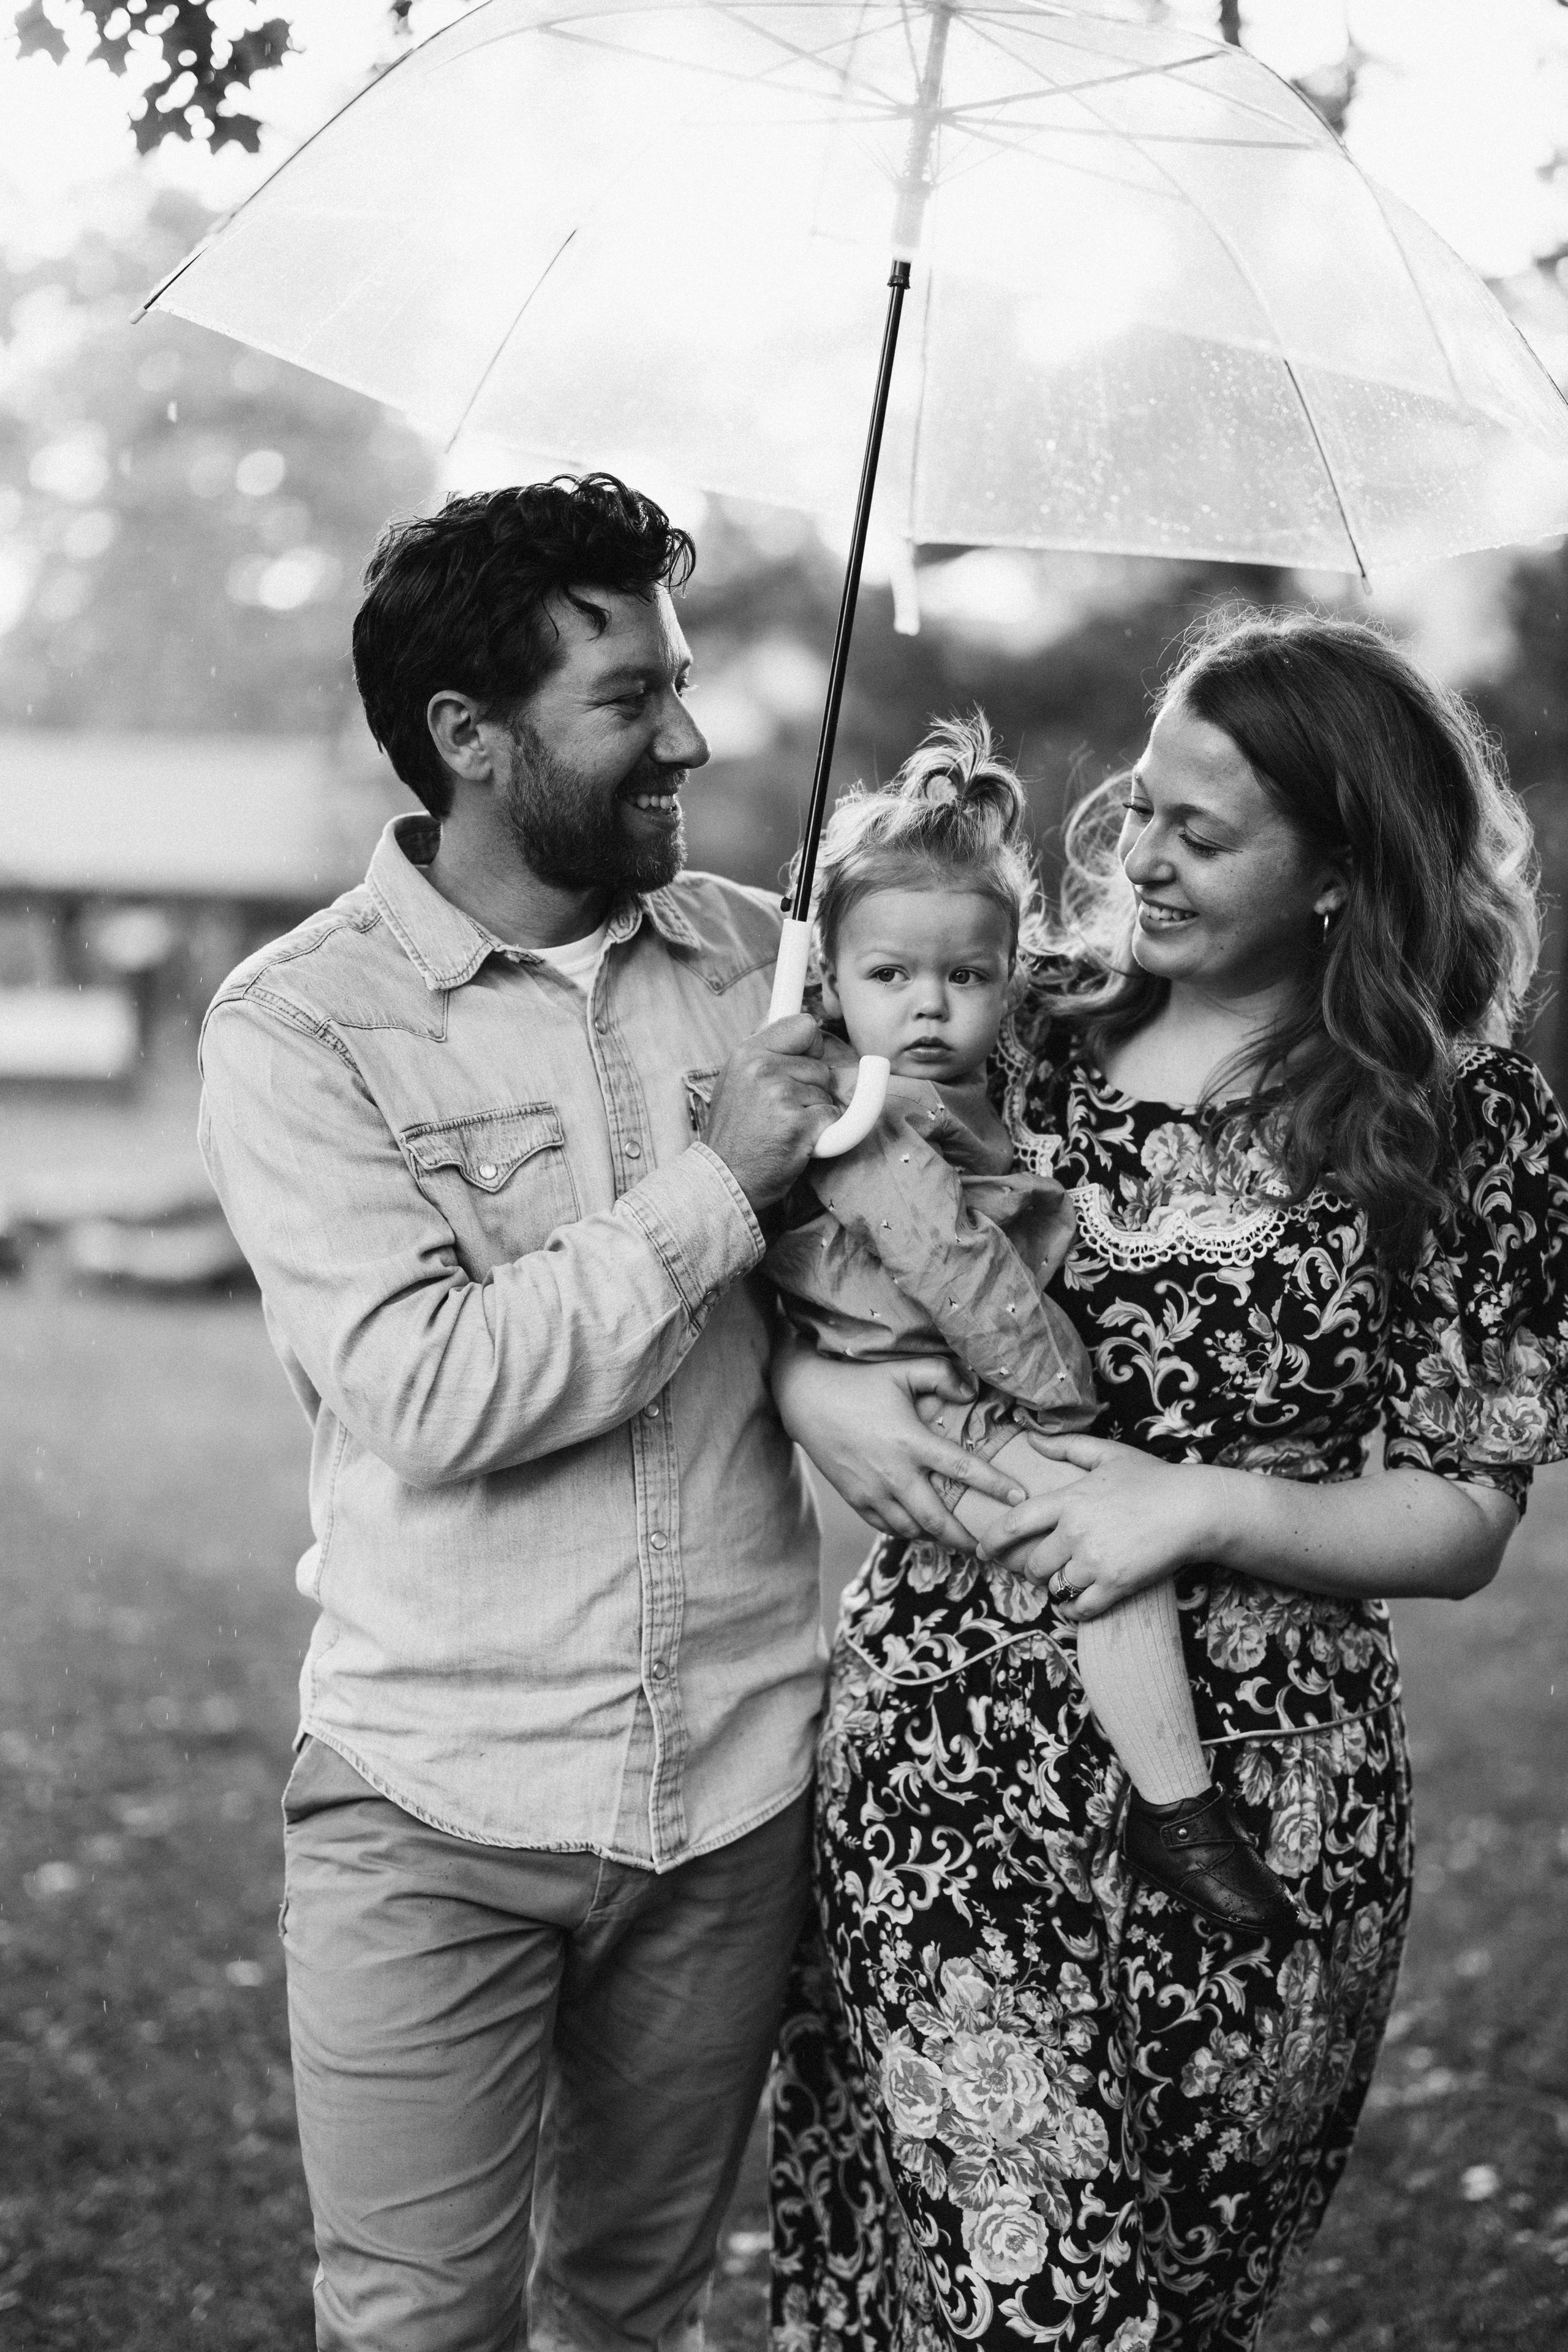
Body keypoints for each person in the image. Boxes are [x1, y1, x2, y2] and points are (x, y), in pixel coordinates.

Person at [197, 470, 1020, 2352]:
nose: (693, 735)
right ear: (471, 740)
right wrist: (725, 1180)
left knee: (635, 2311)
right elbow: (427, 1389)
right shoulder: (300, 1027)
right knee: (415, 2322)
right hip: (434, 1801)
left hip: (734, 1790)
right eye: (630, 700)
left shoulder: (772, 966)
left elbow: (979, 1109)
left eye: (680, 680)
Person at [768, 608, 1568, 2350]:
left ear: (1348, 866)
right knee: (1022, 2292)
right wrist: (809, 1380)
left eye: (1202, 834)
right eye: (1139, 805)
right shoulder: (1007, 1024)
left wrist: (1195, 1503)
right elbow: (822, 1212)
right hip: (955, 1752)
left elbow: (1464, 1509)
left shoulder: (1463, 1117)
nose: (1136, 855)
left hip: (1269, 1793)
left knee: (1184, 2293)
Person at [764, 714, 1294, 1932]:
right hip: (948, 1391)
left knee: (1106, 1552)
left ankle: (1171, 1805)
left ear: (1012, 972)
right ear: (828, 980)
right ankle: (1179, 1807)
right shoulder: (870, 1117)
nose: (931, 1007)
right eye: (888, 978)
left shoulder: (964, 1086)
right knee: (1108, 1554)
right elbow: (956, 1272)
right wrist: (1058, 1392)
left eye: (967, 976)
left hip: (950, 1380)